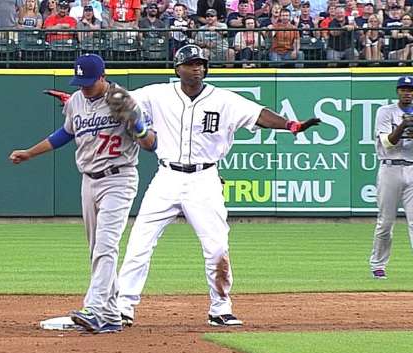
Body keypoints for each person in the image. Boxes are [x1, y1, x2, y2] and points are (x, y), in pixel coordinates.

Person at [115, 44, 320, 328]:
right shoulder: (157, 93)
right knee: (139, 242)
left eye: (201, 63)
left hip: (204, 179)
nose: (197, 68)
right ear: (178, 69)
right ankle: (123, 306)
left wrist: (290, 126)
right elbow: (120, 100)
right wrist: (84, 102)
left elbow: (258, 114)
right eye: (190, 63)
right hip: (167, 177)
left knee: (216, 247)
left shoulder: (223, 100)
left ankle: (221, 308)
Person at [9, 54, 156, 334]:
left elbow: (150, 143)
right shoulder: (76, 100)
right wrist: (29, 153)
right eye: (81, 83)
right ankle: (112, 315)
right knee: (96, 250)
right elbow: (64, 134)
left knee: (106, 245)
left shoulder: (123, 101)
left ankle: (94, 307)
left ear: (103, 77)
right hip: (89, 181)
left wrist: (137, 125)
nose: (85, 88)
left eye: (89, 83)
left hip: (119, 178)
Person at [370, 76, 413, 280]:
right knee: (385, 222)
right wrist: (403, 126)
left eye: (410, 89)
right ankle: (378, 265)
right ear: (397, 91)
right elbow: (388, 143)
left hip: (412, 169)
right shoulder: (385, 112)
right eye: (403, 89)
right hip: (390, 169)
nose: (407, 93)